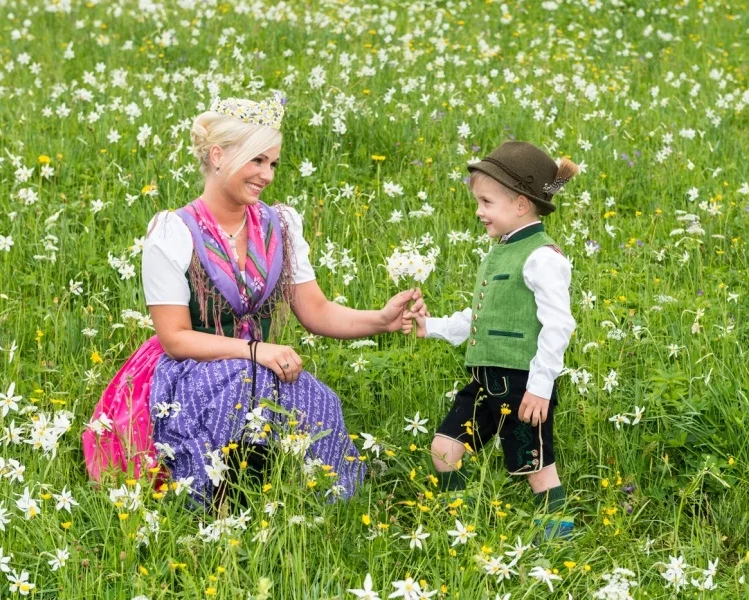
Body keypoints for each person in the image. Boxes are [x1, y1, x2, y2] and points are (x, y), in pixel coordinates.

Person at [82, 94, 425, 507]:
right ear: (218, 155)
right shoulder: (174, 233)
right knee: (242, 385)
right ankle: (214, 506)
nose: (267, 175)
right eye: (257, 160)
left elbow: (315, 311)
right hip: (189, 369)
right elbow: (174, 338)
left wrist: (382, 320)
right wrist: (255, 351)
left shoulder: (280, 225)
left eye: (273, 163)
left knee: (320, 402)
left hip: (260, 365)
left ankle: (312, 505)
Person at [404, 141, 578, 538]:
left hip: (522, 386)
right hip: (484, 381)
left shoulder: (542, 257)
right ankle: (463, 527)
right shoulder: (501, 251)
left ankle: (559, 542)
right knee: (444, 449)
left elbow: (558, 325)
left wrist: (540, 387)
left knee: (536, 467)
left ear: (520, 205)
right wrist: (431, 327)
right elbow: (485, 318)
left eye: (486, 202)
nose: (479, 212)